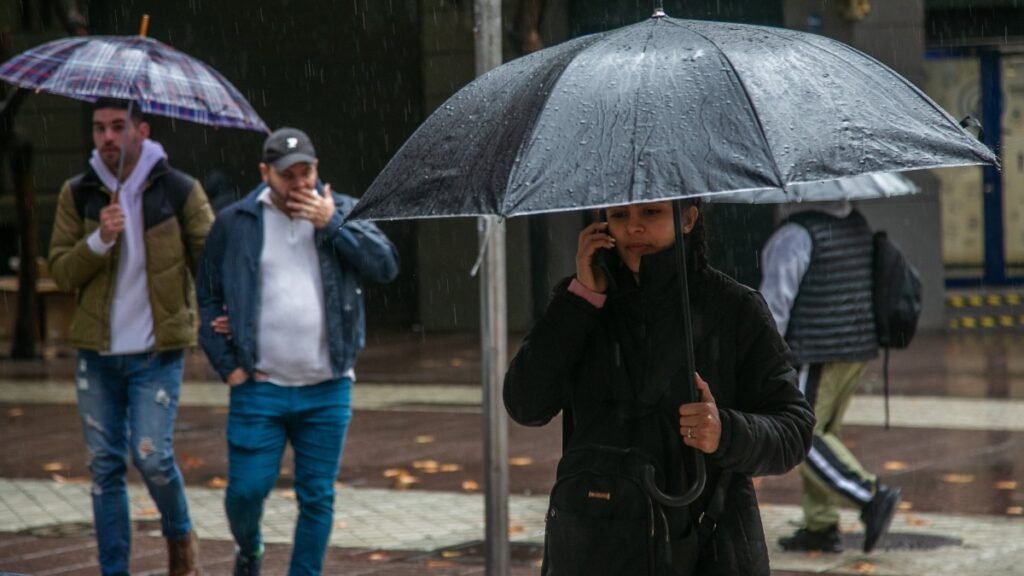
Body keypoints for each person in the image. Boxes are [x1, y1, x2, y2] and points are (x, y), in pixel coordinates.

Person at [504, 199, 815, 575]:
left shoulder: (734, 308)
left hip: (707, 548)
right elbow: (525, 404)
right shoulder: (582, 303)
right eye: (619, 215)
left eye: (650, 212)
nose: (633, 227)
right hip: (596, 541)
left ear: (688, 219)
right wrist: (581, 300)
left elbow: (794, 430)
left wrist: (725, 431)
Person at [196, 127, 400, 576]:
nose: (299, 184)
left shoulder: (342, 210)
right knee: (245, 492)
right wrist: (228, 367)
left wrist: (332, 224)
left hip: (327, 387)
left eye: (305, 173)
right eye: (287, 175)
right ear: (265, 173)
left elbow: (385, 265)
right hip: (258, 386)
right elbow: (207, 295)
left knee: (317, 496)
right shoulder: (235, 222)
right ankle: (249, 547)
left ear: (317, 168)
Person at [48, 98, 212, 576]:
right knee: (104, 467)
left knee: (152, 457)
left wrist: (219, 318)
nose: (107, 137)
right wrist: (99, 239)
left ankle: (181, 538)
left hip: (156, 353)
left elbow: (212, 262)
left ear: (143, 131)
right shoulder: (78, 192)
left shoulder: (179, 190)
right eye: (99, 128)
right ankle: (113, 570)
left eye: (118, 126)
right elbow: (60, 272)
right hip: (97, 355)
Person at [761, 201, 902, 554]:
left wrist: (763, 351)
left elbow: (774, 302)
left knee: (801, 435)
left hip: (816, 349)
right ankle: (820, 524)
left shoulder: (796, 234)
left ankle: (870, 496)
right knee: (824, 433)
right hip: (856, 346)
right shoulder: (856, 222)